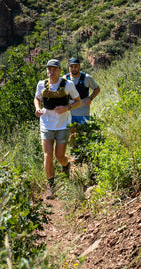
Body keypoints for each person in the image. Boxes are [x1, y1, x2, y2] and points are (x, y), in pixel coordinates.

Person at [34, 59, 81, 199]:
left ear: (60, 70)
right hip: (46, 124)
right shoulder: (42, 84)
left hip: (63, 125)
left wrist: (67, 108)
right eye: (49, 69)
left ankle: (66, 165)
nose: (51, 71)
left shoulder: (68, 85)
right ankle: (50, 187)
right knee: (47, 156)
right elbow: (37, 98)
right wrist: (37, 109)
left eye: (54, 69)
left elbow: (78, 101)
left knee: (59, 156)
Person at [64, 57, 100, 137]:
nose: (74, 69)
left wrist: (90, 98)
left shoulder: (87, 78)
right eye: (71, 66)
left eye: (76, 66)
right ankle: (73, 148)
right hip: (70, 111)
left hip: (83, 110)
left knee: (83, 132)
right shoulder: (65, 79)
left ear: (79, 66)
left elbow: (97, 89)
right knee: (71, 133)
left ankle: (83, 148)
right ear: (69, 67)